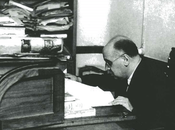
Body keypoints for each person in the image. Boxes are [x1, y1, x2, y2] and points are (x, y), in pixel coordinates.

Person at [65, 35, 168, 130]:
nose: (107, 68)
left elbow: (161, 120)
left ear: (125, 60)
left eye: (109, 63)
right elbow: (105, 80)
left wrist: (133, 109)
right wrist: (79, 79)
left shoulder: (155, 78)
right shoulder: (133, 70)